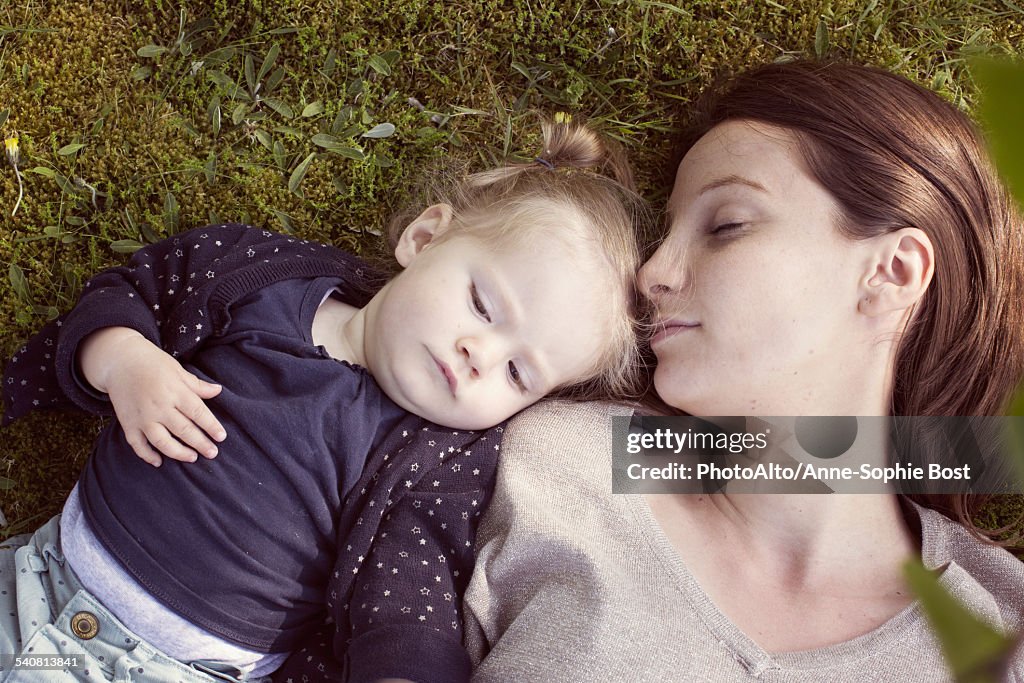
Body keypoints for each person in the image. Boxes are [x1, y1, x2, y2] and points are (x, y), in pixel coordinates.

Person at [0, 119, 649, 682]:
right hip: (40, 570)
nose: (480, 353)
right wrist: (125, 362)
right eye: (482, 304)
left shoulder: (435, 460)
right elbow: (136, 291)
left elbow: (409, 586)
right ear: (425, 238)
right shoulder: (262, 278)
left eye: (517, 372)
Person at [462, 60, 1024, 681]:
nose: (652, 275)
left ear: (892, 273)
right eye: (664, 236)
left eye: (726, 226)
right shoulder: (554, 461)